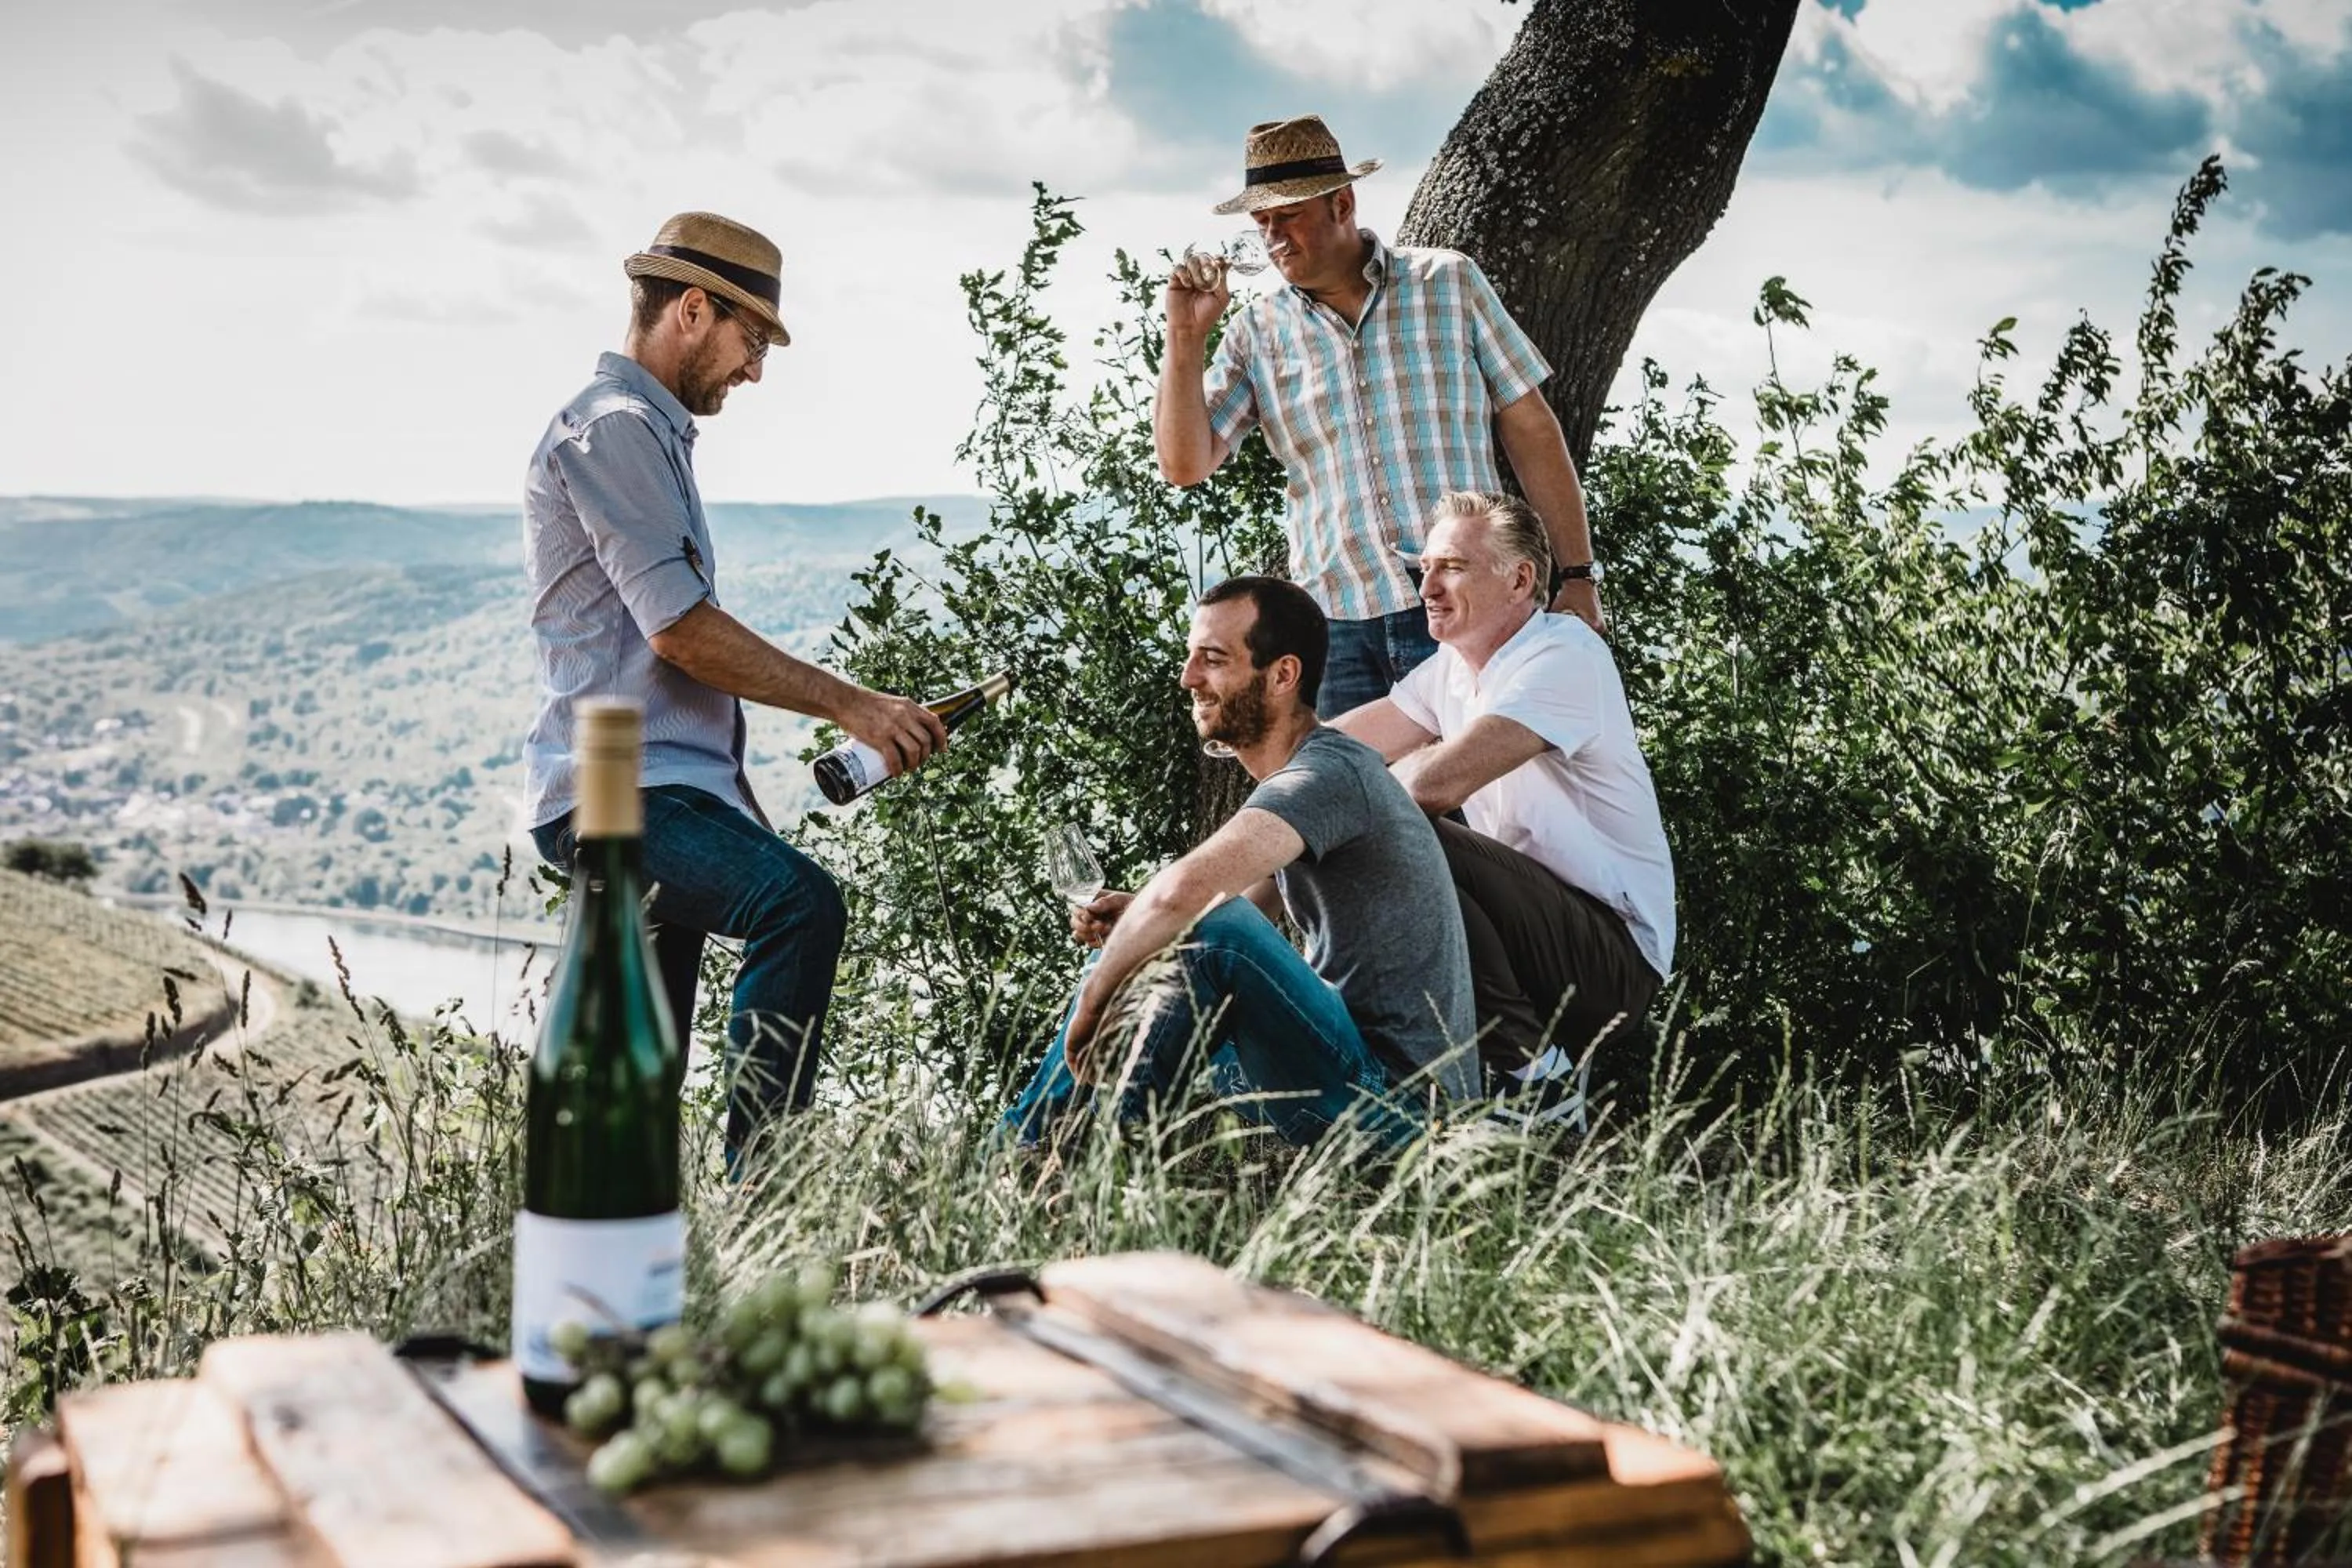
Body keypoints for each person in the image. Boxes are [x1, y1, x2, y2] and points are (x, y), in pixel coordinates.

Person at [521, 211, 950, 1155]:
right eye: (751, 341)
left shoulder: (649, 435)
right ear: (692, 308)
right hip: (618, 794)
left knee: (642, 1079)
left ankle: (637, 1269)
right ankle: (770, 1193)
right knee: (798, 903)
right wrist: (857, 704)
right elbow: (681, 632)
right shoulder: (617, 430)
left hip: (660, 792)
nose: (754, 369)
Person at [1003, 576, 1479, 1151]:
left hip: (1402, 1112)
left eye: (1213, 660)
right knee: (1171, 936)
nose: (1188, 678)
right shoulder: (1316, 779)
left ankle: (1047, 1158)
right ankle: (1044, 1153)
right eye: (1190, 657)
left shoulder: (1326, 775)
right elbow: (1231, 914)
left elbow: (1199, 906)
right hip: (1352, 1075)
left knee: (1203, 929)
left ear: (1283, 675)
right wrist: (1142, 923)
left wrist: (1093, 1007)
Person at [1153, 114, 1606, 717]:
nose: (1272, 236)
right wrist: (1184, 336)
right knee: (1360, 808)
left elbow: (1532, 429)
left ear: (1342, 203)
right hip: (1337, 628)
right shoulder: (1254, 333)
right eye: (1262, 221)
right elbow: (1185, 465)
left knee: (1492, 805)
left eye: (1288, 215)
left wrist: (1576, 574)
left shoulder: (1448, 281)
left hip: (1471, 604)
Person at [1333, 492, 1675, 1127]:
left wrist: (1335, 791)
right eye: (1425, 567)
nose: (1427, 586)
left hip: (1612, 959)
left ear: (1520, 580)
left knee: (1398, 827)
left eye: (1453, 567)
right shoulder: (1451, 670)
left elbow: (1429, 789)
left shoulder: (1563, 655)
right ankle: (1490, 1074)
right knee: (1347, 817)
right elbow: (1329, 757)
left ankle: (1535, 1083)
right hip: (1536, 941)